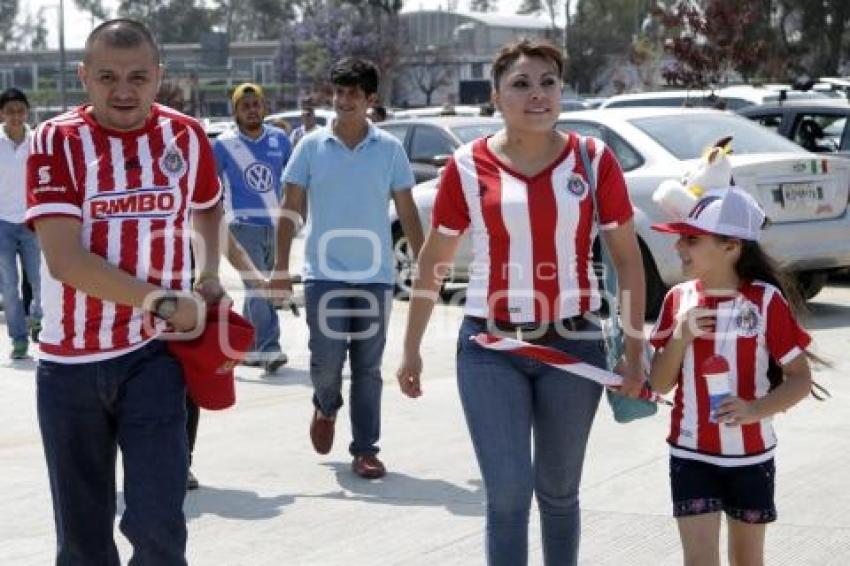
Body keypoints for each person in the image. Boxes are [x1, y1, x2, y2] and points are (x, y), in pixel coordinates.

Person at [395, 39, 647, 565]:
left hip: (575, 347)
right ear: (496, 96)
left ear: (562, 90)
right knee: (508, 495)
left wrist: (634, 349)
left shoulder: (592, 158)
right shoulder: (466, 165)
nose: (538, 94)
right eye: (521, 84)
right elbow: (433, 261)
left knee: (558, 494)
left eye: (549, 82)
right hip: (490, 348)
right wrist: (411, 346)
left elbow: (627, 261)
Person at [26, 19, 225, 565]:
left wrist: (207, 276)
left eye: (138, 76)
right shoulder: (55, 142)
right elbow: (65, 262)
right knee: (83, 539)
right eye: (108, 76)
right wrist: (163, 300)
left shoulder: (185, 135)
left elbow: (207, 203)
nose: (123, 89)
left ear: (159, 77)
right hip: (69, 366)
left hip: (155, 359)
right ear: (83, 76)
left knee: (160, 524)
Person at [271, 57, 424, 479]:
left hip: (375, 277)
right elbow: (289, 208)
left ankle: (365, 448)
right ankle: (324, 404)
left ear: (371, 99)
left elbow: (408, 211)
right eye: (338, 92)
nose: (344, 100)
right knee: (325, 362)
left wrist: (424, 260)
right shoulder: (310, 147)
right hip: (324, 274)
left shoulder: (389, 150)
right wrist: (280, 268)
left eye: (354, 93)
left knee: (368, 368)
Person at [648, 187, 816, 566]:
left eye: (692, 239)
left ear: (732, 246)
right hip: (690, 452)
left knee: (747, 561)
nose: (679, 247)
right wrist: (679, 336)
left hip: (751, 457)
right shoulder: (678, 299)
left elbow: (799, 379)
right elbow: (658, 386)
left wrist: (755, 409)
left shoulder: (766, 301)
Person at [213, 82, 291, 373]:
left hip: (277, 227)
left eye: (256, 104)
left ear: (264, 107)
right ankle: (269, 347)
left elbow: (292, 181)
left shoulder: (280, 140)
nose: (252, 110)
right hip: (242, 227)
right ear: (235, 112)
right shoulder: (223, 144)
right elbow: (209, 187)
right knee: (260, 289)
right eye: (245, 106)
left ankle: (244, 347)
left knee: (257, 290)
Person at [0, 87, 42, 360]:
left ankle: (38, 319)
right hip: (2, 223)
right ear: (1, 114)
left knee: (40, 281)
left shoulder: (38, 141)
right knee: (9, 285)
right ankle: (18, 338)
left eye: (20, 110)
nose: (16, 116)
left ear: (27, 112)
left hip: (33, 222)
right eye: (9, 111)